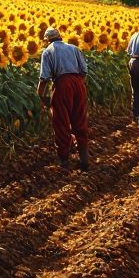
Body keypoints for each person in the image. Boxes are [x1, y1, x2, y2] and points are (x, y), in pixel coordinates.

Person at [37, 27, 90, 171]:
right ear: (60, 37)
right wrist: (77, 84)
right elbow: (84, 70)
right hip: (78, 83)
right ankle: (84, 158)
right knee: (79, 119)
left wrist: (40, 95)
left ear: (47, 40)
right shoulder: (74, 48)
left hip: (62, 85)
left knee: (61, 122)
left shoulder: (48, 51)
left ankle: (64, 161)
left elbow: (45, 77)